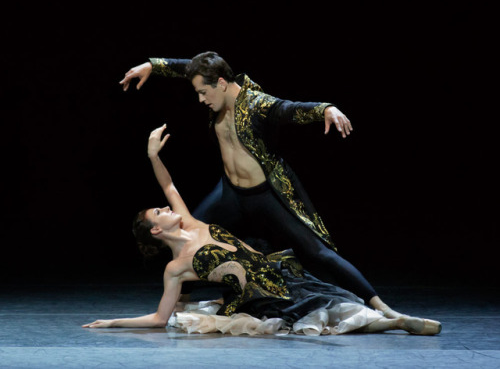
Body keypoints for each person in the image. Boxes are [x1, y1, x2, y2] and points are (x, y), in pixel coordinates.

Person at [82, 125, 441, 336]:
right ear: (156, 231)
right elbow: (160, 318)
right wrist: (113, 321)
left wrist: (152, 155)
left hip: (279, 270)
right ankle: (398, 323)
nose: (165, 209)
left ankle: (391, 318)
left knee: (336, 300)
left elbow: (169, 186)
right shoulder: (175, 268)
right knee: (331, 314)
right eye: (158, 213)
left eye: (161, 207)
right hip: (263, 298)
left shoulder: (190, 221)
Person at [118, 52, 393, 317]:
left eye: (203, 92)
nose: (201, 99)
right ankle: (181, 301)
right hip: (229, 193)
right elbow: (191, 66)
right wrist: (153, 66)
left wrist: (325, 109)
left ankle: (381, 306)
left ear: (222, 83)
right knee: (185, 237)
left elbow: (290, 109)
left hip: (265, 194)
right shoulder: (213, 81)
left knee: (317, 252)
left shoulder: (256, 103)